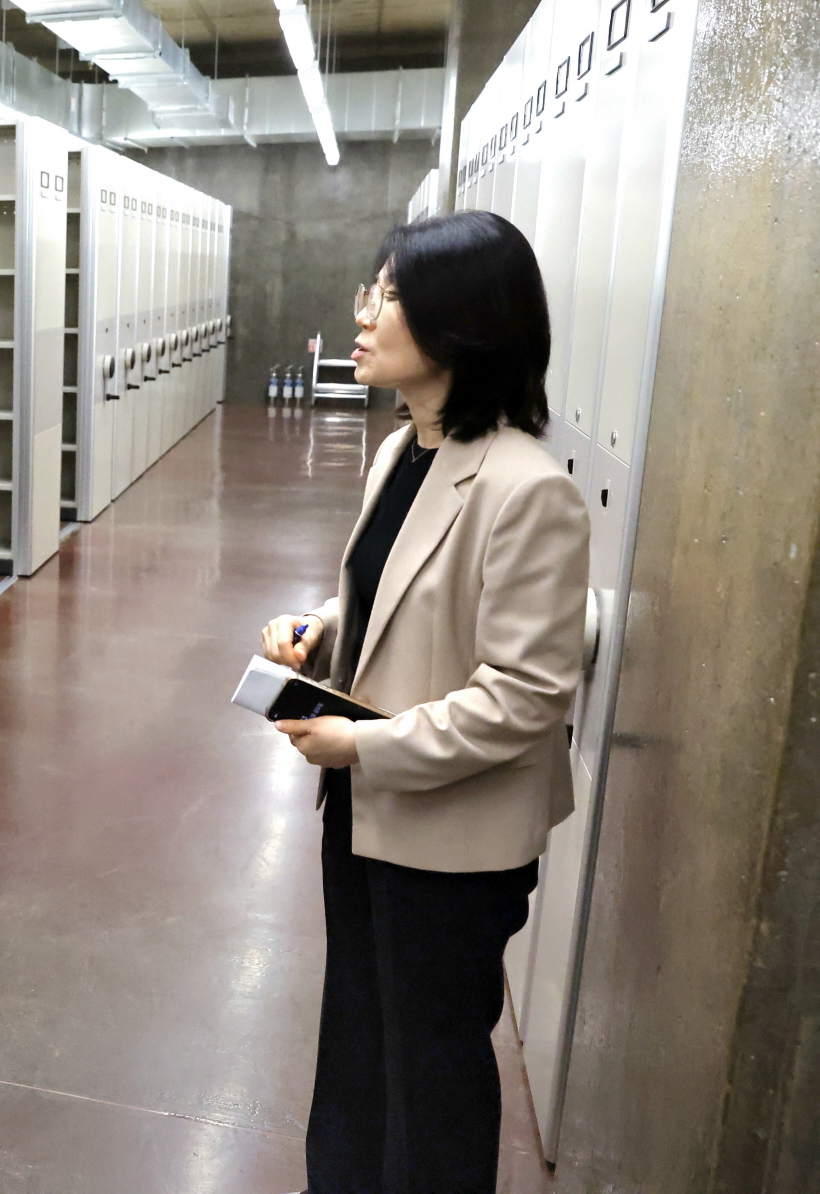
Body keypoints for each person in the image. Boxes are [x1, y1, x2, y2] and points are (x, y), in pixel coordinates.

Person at [258, 210, 589, 1193]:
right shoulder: (404, 449)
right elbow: (385, 589)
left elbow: (523, 697)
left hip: (446, 841)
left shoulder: (527, 490)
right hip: (364, 810)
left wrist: (363, 748)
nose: (363, 312)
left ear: (461, 324)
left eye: (390, 293)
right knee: (357, 1036)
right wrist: (316, 628)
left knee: (433, 1069)